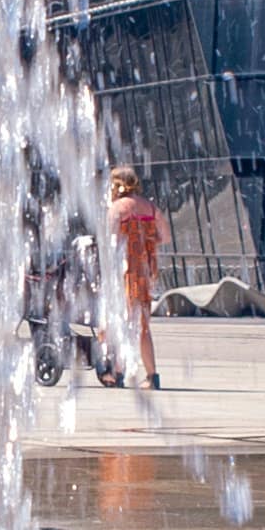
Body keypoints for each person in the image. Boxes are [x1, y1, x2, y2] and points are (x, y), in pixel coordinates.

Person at [106, 162, 169, 390]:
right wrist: (145, 242)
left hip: (124, 271)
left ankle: (117, 372)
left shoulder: (117, 209)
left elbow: (110, 242)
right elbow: (165, 236)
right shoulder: (151, 208)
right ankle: (152, 376)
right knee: (142, 326)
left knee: (120, 322)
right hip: (144, 271)